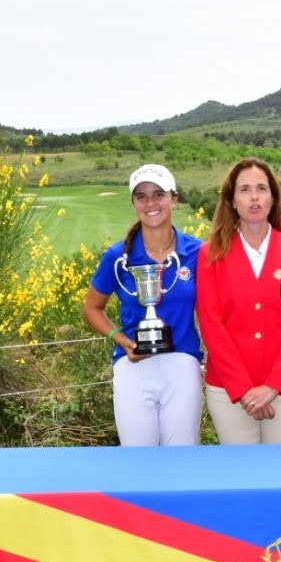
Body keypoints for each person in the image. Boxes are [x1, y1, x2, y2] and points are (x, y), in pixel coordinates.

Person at [196, 157, 281, 444]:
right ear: (232, 201)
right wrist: (244, 389)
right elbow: (211, 326)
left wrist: (273, 385)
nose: (254, 197)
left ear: (273, 198)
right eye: (245, 189)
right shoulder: (210, 254)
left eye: (261, 188)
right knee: (239, 479)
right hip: (229, 393)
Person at [83, 164, 203, 446]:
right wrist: (121, 340)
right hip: (132, 366)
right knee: (138, 461)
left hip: (183, 364)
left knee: (182, 459)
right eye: (142, 196)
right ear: (134, 203)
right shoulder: (117, 256)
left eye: (158, 194)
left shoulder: (198, 252)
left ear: (173, 198)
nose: (151, 203)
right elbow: (91, 308)